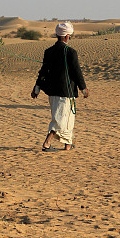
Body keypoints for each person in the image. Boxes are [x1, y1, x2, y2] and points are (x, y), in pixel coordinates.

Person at [31, 22, 89, 151]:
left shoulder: (49, 51)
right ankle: (47, 143)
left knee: (68, 118)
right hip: (65, 92)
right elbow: (77, 72)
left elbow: (43, 71)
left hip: (52, 91)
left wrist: (37, 87)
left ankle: (68, 144)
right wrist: (83, 89)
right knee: (60, 119)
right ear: (67, 36)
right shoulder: (70, 52)